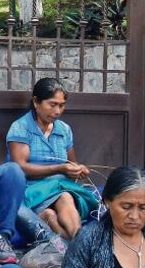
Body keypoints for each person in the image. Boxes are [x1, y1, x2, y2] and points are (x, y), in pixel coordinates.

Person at [7, 77, 93, 240]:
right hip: (30, 189)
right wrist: (59, 168)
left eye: (61, 105)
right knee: (61, 200)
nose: (58, 111)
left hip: (60, 187)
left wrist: (78, 169)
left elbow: (71, 163)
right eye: (52, 104)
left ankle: (71, 236)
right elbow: (20, 168)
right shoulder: (21, 128)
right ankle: (78, 240)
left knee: (64, 196)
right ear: (36, 102)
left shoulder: (64, 130)